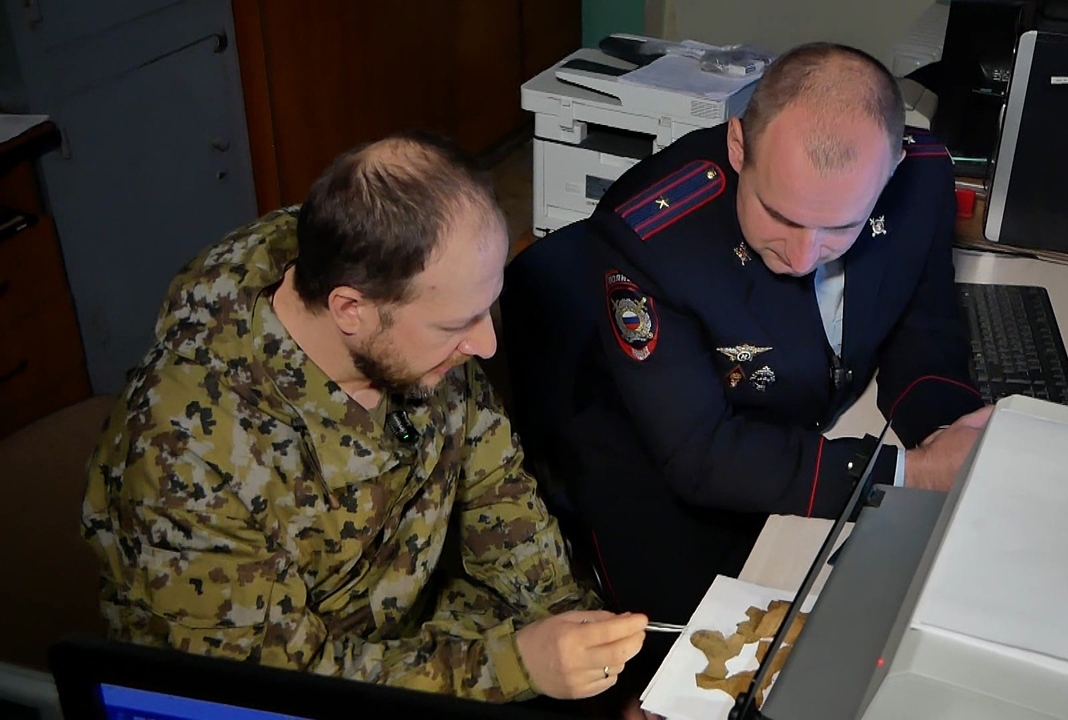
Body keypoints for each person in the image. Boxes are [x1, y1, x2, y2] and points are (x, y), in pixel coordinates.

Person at [81, 131, 648, 703]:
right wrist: (517, 667)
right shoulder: (185, 453)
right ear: (350, 310)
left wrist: (592, 652)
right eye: (457, 325)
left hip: (407, 626)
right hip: (265, 690)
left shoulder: (381, 274)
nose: (486, 345)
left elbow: (497, 489)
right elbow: (274, 688)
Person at [556, 42, 993, 624]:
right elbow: (701, 452)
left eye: (841, 226)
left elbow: (925, 322)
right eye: (781, 216)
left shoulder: (925, 178)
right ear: (739, 147)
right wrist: (903, 474)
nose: (803, 255)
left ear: (890, 172)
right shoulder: (650, 240)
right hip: (668, 480)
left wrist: (947, 439)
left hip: (807, 437)